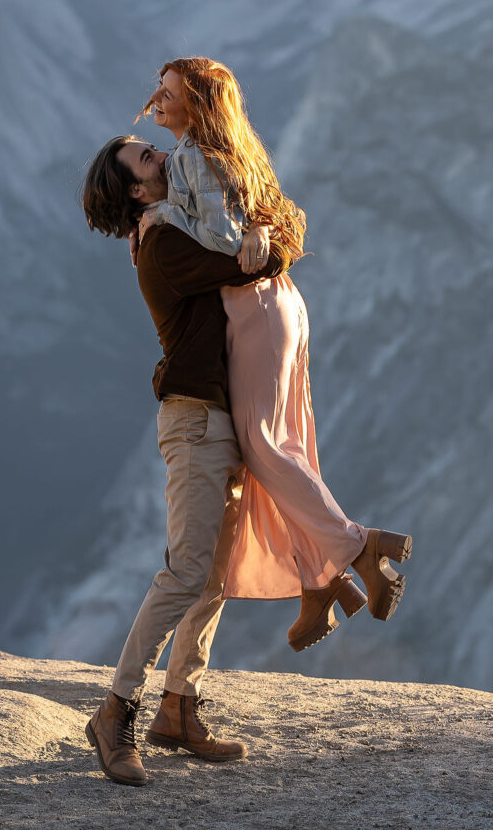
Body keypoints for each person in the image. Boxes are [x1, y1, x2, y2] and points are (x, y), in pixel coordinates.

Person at [134, 57, 412, 653]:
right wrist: (257, 231)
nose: (156, 97)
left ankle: (358, 548)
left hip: (253, 308)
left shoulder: (188, 157)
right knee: (282, 442)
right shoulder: (238, 152)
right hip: (283, 305)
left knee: (261, 444)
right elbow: (276, 224)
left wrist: (164, 212)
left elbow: (229, 246)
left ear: (198, 104)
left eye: (169, 90)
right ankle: (317, 582)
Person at [81, 137, 289, 786]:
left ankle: (179, 708)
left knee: (213, 576)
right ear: (138, 193)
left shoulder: (183, 226)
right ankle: (116, 711)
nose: (164, 157)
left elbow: (271, 238)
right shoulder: (166, 243)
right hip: (195, 421)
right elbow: (254, 262)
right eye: (147, 159)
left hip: (221, 418)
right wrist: (258, 237)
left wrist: (259, 227)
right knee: (186, 570)